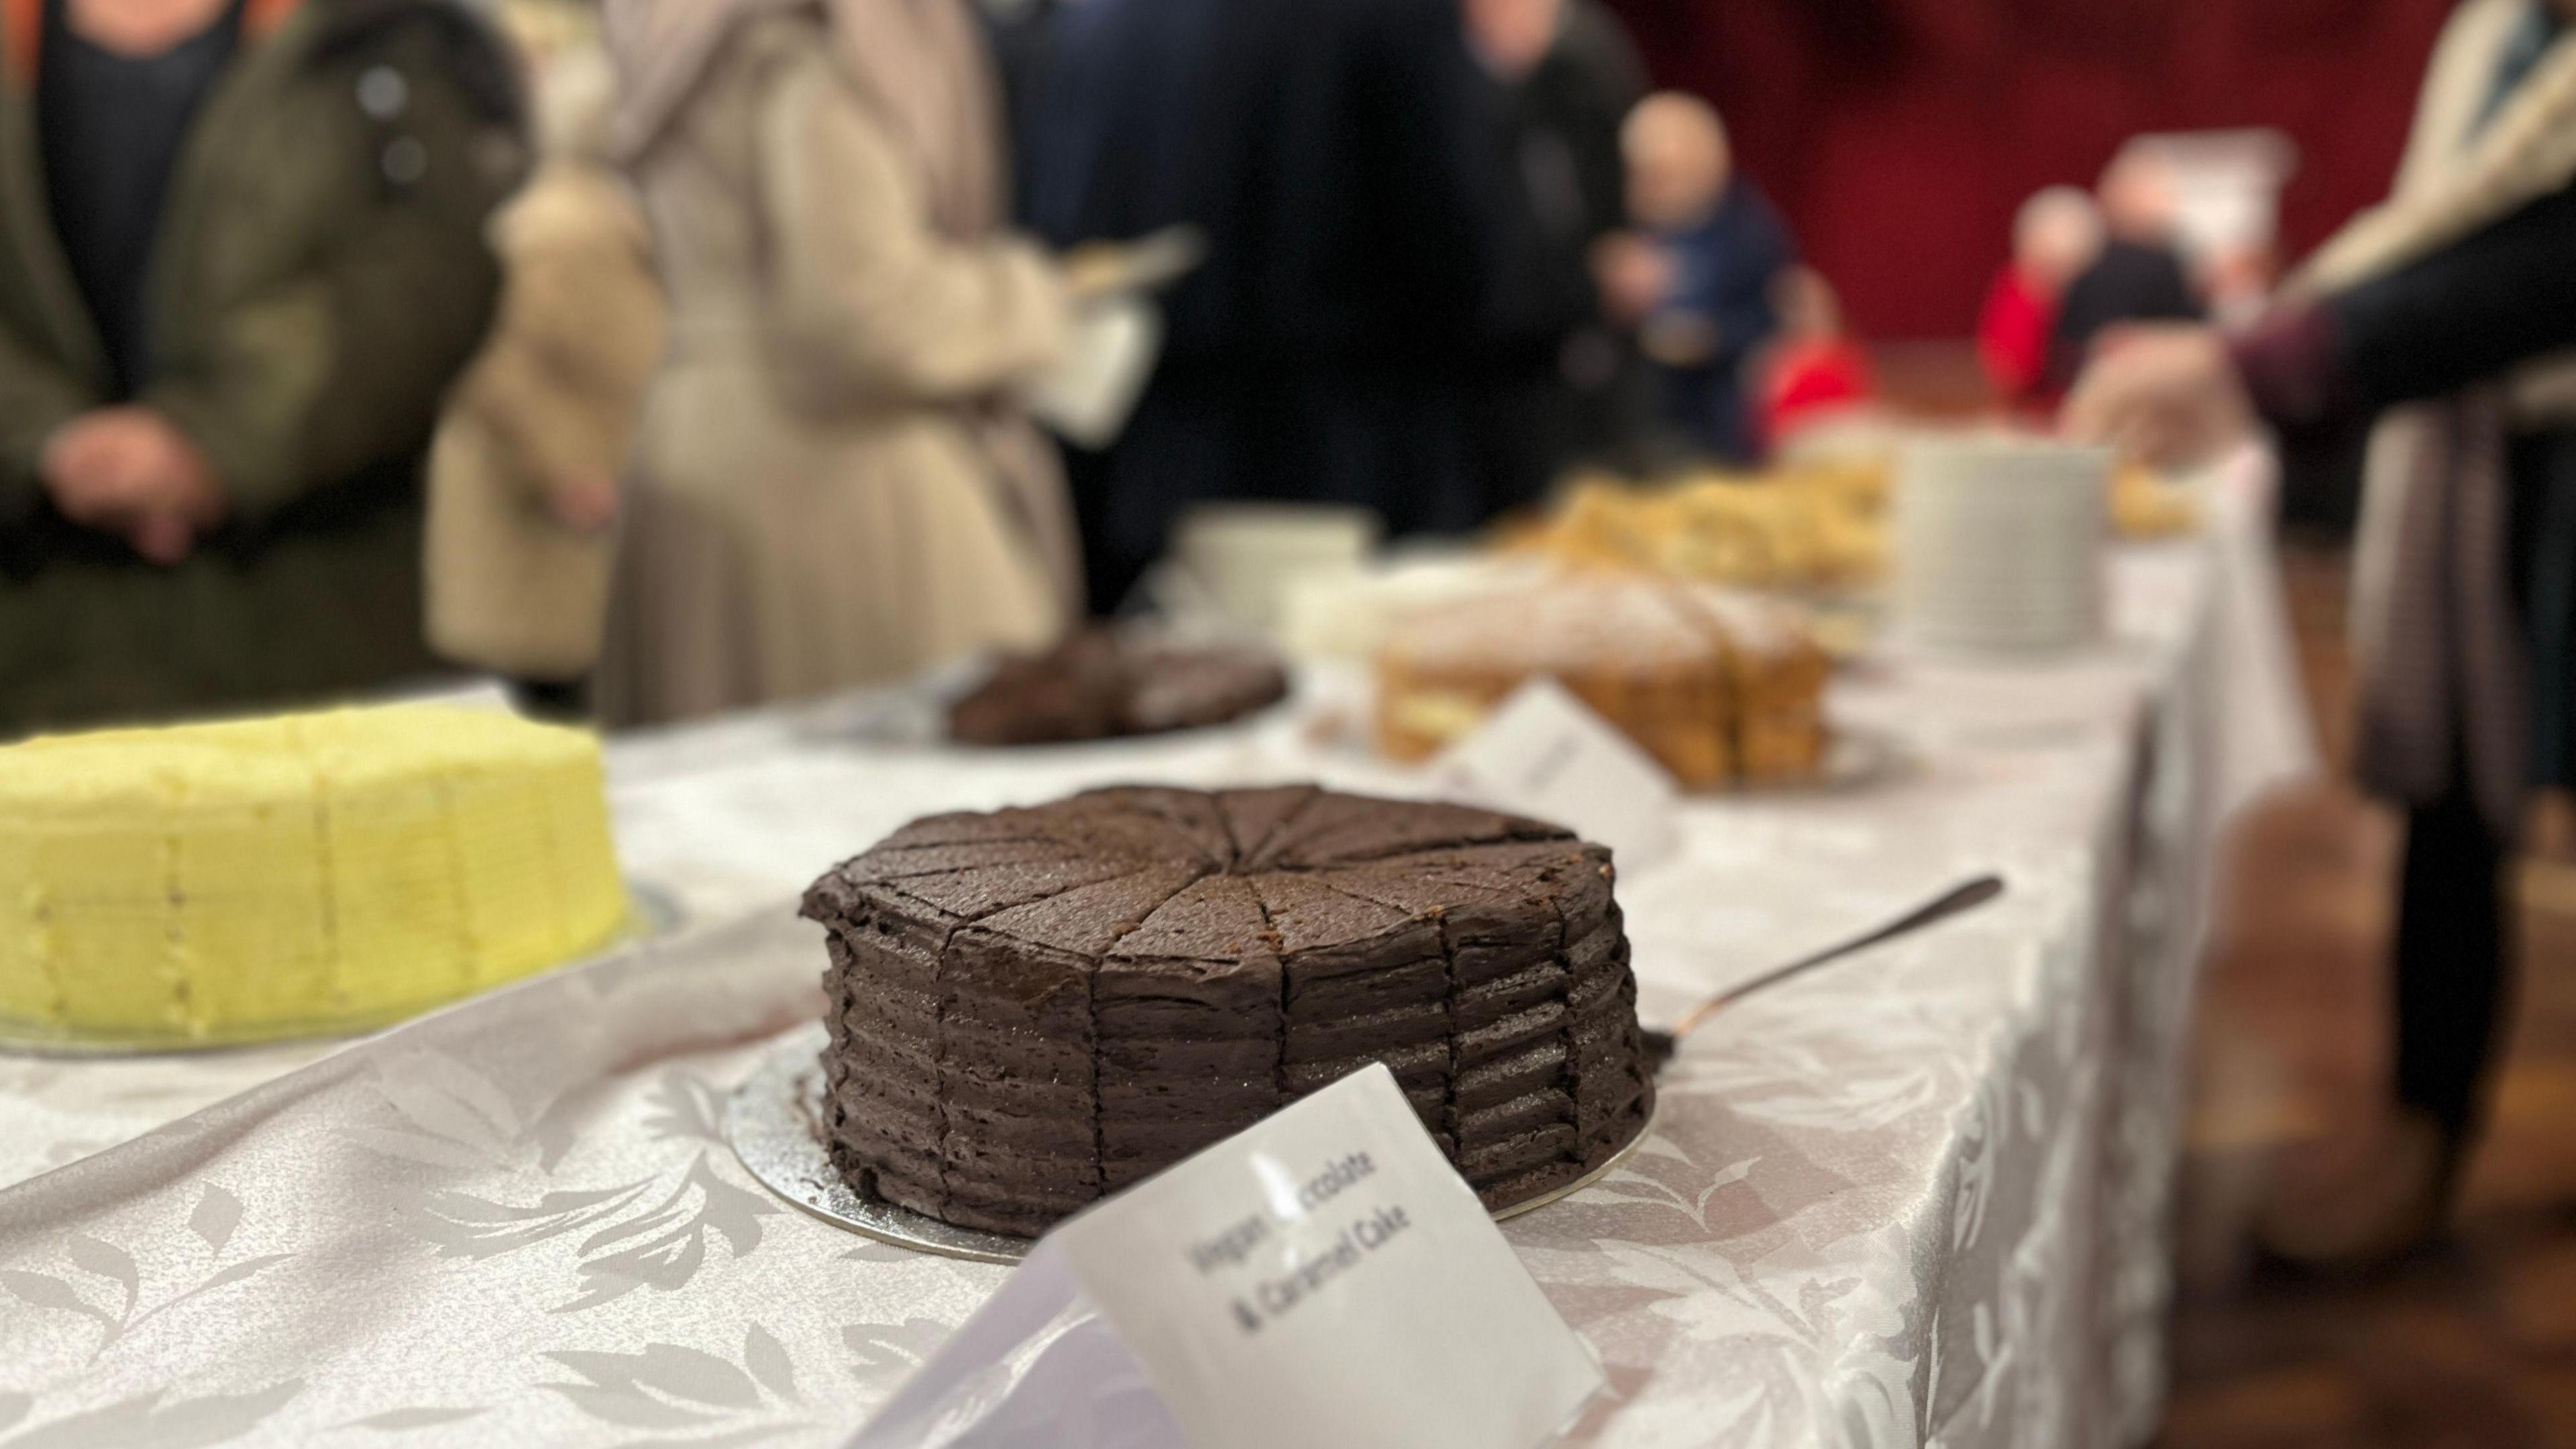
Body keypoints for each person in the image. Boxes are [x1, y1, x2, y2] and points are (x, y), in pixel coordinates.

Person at [2066, 0, 2576, 1265]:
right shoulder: (2496, 34)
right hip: (2491, 461)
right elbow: (2448, 233)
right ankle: (2422, 1137)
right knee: (2450, 810)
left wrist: (2264, 366)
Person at [0, 0, 522, 738]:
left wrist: (212, 440)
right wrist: (56, 445)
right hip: (41, 645)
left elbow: (429, 272)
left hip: (320, 626)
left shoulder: (388, 36)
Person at [597, 0, 1091, 726]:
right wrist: (1032, 299)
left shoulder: (672, 35)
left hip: (696, 441)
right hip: (834, 480)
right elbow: (861, 316)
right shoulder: (812, 49)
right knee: (936, 805)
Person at [1020, 0, 1530, 613]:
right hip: (1352, 470)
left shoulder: (1100, 16)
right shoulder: (1394, 14)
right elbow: (1460, 259)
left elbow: (1056, 225)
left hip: (1151, 465)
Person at [425, 18, 662, 718]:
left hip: (584, 512)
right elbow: (488, 357)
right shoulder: (564, 228)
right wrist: (559, 468)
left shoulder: (603, 218)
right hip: (542, 520)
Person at [1464, 0, 1649, 513]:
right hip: (1487, 381)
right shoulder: (1451, 96)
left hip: (1571, 366)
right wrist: (1590, 285)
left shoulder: (1580, 67)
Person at [1613, 91, 1798, 465]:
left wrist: (1711, 336)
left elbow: (1776, 319)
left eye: (1670, 174)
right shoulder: (1617, 234)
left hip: (1722, 422)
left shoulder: (1749, 233)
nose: (1657, 189)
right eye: (1646, 175)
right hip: (1632, 425)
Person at [2045, 147, 2204, 394]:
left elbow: (2065, 350)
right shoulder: (2164, 265)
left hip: (2095, 401)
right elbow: (2196, 339)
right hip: (2159, 401)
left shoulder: (2086, 267)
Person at [1977, 186, 2104, 407]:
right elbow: (2010, 370)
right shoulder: (2020, 291)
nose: (2056, 277)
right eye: (2048, 265)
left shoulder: (2102, 292)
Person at [1754, 268, 1876, 453]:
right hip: (1788, 453)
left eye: (1806, 306)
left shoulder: (1842, 357)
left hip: (1835, 448)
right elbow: (1761, 423)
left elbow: (1857, 415)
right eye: (1792, 308)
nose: (1799, 316)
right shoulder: (1771, 358)